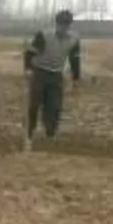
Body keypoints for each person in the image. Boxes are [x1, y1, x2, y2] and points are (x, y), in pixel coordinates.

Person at [23, 9, 83, 145]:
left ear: (69, 26)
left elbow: (75, 59)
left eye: (66, 26)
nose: (63, 28)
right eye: (61, 25)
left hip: (56, 74)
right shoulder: (44, 35)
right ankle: (29, 133)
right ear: (57, 24)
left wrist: (76, 79)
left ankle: (50, 133)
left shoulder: (73, 39)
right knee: (34, 105)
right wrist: (27, 69)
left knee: (54, 106)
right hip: (39, 72)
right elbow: (30, 52)